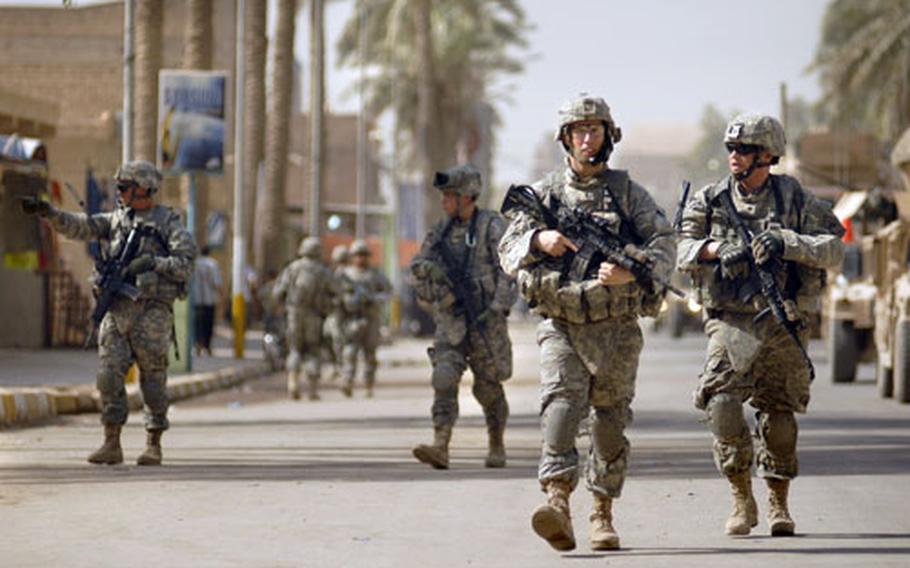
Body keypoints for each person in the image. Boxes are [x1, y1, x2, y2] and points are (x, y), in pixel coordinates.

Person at [499, 94, 676, 551]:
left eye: (593, 130)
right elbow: (508, 249)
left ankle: (602, 512)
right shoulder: (544, 194)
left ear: (608, 136)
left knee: (609, 423)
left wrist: (629, 270)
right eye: (577, 130)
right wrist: (542, 237)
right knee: (560, 406)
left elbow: (663, 245)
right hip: (562, 322)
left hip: (616, 328)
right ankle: (557, 502)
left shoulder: (628, 195)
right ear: (565, 138)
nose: (585, 138)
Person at [677, 114, 844, 537]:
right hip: (731, 319)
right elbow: (681, 248)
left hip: (783, 319)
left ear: (768, 155)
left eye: (745, 149)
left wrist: (787, 242)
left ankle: (778, 502)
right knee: (722, 404)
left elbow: (832, 246)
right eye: (732, 148)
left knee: (780, 416)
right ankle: (740, 496)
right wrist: (717, 250)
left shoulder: (794, 198)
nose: (735, 156)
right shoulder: (711, 199)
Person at [20, 160, 197, 466]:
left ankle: (153, 443)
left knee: (153, 380)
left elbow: (186, 264)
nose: (120, 193)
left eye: (124, 187)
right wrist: (48, 212)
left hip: (151, 312)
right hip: (117, 310)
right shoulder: (117, 220)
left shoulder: (168, 223)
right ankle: (111, 442)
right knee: (107, 375)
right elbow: (82, 226)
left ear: (143, 188)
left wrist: (154, 264)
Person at [409, 164, 517, 470]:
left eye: (450, 196)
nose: (444, 201)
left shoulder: (491, 227)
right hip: (451, 321)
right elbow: (417, 269)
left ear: (467, 196)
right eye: (444, 196)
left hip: (486, 322)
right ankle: (440, 444)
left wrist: (498, 306)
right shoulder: (440, 231)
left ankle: (496, 442)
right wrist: (436, 289)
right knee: (443, 377)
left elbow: (511, 268)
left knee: (488, 387)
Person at [273, 237, 333, 400]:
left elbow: (278, 292)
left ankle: (293, 382)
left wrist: (282, 307)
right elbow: (336, 291)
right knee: (313, 351)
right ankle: (312, 390)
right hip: (314, 316)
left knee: (294, 349)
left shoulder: (292, 268)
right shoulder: (323, 271)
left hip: (294, 314)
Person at [337, 239, 391, 398]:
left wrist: (374, 298)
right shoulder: (345, 275)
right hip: (352, 319)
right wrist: (347, 301)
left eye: (363, 255)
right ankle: (347, 381)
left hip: (371, 318)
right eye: (357, 255)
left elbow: (388, 292)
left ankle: (368, 384)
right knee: (349, 352)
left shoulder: (375, 275)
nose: (361, 258)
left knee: (370, 354)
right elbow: (336, 293)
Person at [323, 244, 350, 381]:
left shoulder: (348, 274)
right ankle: (337, 366)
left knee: (339, 340)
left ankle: (341, 367)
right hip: (335, 312)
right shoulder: (333, 273)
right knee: (329, 336)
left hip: (344, 313)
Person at [191, 245, 222, 356]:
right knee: (208, 324)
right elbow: (217, 283)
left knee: (197, 324)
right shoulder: (213, 264)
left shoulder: (195, 264)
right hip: (209, 300)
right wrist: (220, 297)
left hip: (196, 300)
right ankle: (207, 347)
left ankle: (198, 345)